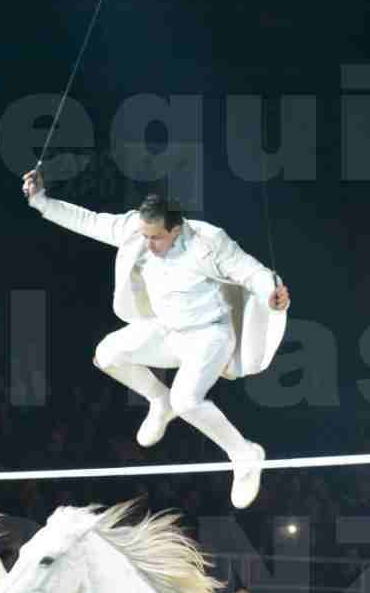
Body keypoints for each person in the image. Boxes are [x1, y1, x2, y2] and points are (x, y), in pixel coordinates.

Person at [21, 170, 290, 509]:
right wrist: (41, 201)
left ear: (176, 229)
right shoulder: (138, 231)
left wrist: (272, 294)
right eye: (145, 236)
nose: (147, 244)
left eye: (156, 238)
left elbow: (253, 272)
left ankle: (245, 454)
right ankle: (158, 401)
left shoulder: (208, 242)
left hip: (209, 334)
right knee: (107, 354)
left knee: (187, 400)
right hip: (166, 330)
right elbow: (88, 221)